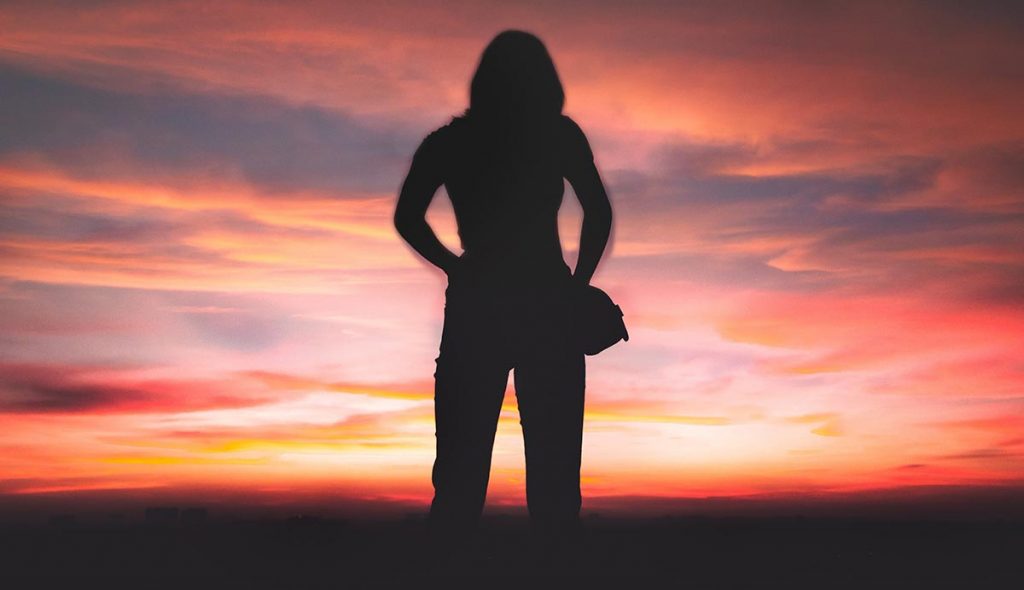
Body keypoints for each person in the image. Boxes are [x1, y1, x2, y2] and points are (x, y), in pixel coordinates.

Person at [394, 30, 612, 558]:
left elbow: (407, 217)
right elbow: (598, 211)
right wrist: (576, 285)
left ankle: (446, 569)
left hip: (479, 304)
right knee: (556, 477)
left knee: (460, 478)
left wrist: (454, 267)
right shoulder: (559, 136)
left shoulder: (449, 144)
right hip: (545, 301)